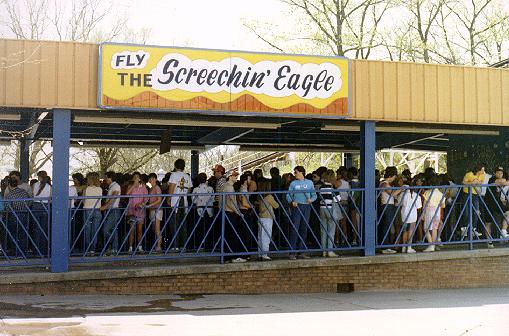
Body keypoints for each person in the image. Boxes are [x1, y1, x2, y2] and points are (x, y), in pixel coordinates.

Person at [286, 166, 317, 260]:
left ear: (301, 172)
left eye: (296, 172)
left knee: (304, 228)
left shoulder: (310, 182)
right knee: (295, 228)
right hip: (297, 206)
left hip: (307, 206)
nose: (294, 174)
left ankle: (301, 251)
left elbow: (314, 195)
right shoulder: (293, 183)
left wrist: (311, 200)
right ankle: (292, 252)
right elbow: (288, 194)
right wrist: (292, 202)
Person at [167, 159, 193, 251]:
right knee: (183, 224)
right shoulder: (187, 176)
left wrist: (169, 198)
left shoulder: (174, 175)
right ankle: (184, 245)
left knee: (174, 223)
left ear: (175, 166)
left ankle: (175, 245)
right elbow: (189, 189)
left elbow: (171, 187)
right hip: (184, 201)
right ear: (183, 166)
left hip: (175, 201)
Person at [222, 170, 247, 263]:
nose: (236, 177)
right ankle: (234, 257)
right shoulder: (229, 188)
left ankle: (226, 257)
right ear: (230, 177)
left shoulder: (225, 186)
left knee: (228, 236)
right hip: (230, 213)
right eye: (234, 175)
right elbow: (231, 203)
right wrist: (238, 212)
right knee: (234, 236)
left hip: (225, 213)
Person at [4, 177, 31, 257]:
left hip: (14, 215)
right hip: (24, 215)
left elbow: (7, 207)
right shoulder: (24, 192)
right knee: (23, 234)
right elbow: (29, 202)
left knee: (13, 234)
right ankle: (22, 253)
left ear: (9, 185)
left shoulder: (9, 195)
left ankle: (15, 253)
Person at [378, 166, 401, 254]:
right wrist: (401, 188)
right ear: (391, 175)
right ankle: (384, 246)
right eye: (394, 177)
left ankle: (386, 245)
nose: (394, 179)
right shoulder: (384, 184)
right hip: (386, 206)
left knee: (387, 226)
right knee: (386, 227)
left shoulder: (384, 184)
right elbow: (392, 194)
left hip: (388, 206)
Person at [319, 169, 340, 257]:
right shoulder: (333, 188)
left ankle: (324, 251)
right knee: (331, 231)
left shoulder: (321, 187)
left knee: (323, 231)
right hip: (330, 209)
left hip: (322, 209)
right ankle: (330, 251)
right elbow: (337, 199)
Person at [398, 177, 422, 253]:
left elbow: (398, 203)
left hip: (404, 214)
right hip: (413, 215)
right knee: (411, 230)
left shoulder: (402, 194)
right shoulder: (416, 195)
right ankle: (409, 247)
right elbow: (419, 207)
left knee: (404, 230)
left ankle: (403, 247)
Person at [100, 171, 121, 254]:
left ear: (110, 178)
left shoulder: (115, 186)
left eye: (106, 177)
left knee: (105, 230)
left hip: (113, 210)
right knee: (113, 230)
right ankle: (114, 248)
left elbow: (113, 198)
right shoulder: (112, 186)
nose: (105, 179)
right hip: (110, 210)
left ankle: (113, 244)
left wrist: (104, 207)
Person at [461, 165, 485, 239]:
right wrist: (471, 183)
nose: (483, 171)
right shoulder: (469, 174)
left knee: (477, 212)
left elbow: (480, 183)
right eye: (482, 170)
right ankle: (464, 229)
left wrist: (477, 182)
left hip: (476, 195)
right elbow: (463, 182)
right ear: (478, 170)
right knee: (466, 212)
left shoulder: (482, 175)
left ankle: (473, 229)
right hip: (467, 194)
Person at [127, 172, 148, 253]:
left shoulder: (143, 187)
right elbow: (127, 194)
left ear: (140, 179)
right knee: (131, 230)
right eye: (134, 177)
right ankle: (130, 247)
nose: (136, 178)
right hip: (131, 211)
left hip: (140, 211)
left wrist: (142, 204)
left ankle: (140, 247)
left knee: (139, 230)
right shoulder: (130, 186)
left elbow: (146, 198)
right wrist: (133, 185)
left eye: (137, 177)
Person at [422, 175, 445, 252]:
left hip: (429, 211)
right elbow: (443, 205)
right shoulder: (440, 193)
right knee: (435, 228)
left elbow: (425, 203)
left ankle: (431, 244)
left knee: (426, 228)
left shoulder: (427, 192)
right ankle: (433, 245)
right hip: (437, 212)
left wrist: (423, 213)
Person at [192, 173, 214, 250]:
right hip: (209, 210)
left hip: (199, 210)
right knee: (209, 228)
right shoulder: (210, 189)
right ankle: (209, 245)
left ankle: (200, 245)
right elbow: (213, 199)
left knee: (199, 228)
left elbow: (193, 201)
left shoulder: (195, 190)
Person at [32, 171, 51, 256]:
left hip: (36, 206)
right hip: (45, 206)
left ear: (40, 177)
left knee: (36, 229)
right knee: (44, 229)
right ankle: (43, 251)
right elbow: (51, 198)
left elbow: (32, 196)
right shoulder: (49, 187)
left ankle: (36, 251)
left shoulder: (35, 185)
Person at [82, 172, 103, 256]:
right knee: (95, 231)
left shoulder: (86, 189)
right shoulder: (100, 189)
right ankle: (92, 250)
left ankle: (87, 249)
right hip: (97, 210)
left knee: (87, 231)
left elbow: (83, 200)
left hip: (87, 210)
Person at [147, 173, 163, 253]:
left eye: (152, 178)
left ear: (155, 179)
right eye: (150, 179)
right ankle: (157, 245)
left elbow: (159, 199)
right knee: (154, 229)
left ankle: (159, 247)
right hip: (152, 210)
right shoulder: (151, 188)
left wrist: (150, 205)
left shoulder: (157, 188)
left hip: (157, 210)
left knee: (157, 229)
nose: (150, 180)